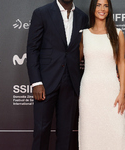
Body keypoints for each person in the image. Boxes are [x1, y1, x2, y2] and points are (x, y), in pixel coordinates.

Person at [26, 0, 88, 149]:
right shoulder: (41, 13)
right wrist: (36, 82)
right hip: (45, 82)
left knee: (66, 133)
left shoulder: (82, 17)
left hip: (71, 81)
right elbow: (32, 49)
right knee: (41, 131)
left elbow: (86, 49)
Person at [78, 0, 125, 149]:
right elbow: (73, 62)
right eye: (99, 5)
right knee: (90, 132)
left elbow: (121, 64)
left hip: (111, 91)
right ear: (93, 8)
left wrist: (122, 92)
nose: (102, 9)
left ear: (109, 9)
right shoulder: (84, 35)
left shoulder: (118, 33)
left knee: (115, 131)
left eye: (105, 5)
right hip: (89, 92)